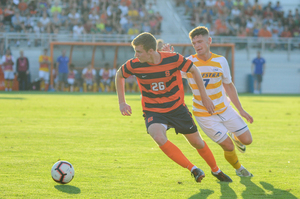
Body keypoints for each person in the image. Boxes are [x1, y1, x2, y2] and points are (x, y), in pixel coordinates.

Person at [115, 32, 232, 183]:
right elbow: (120, 75)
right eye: (135, 51)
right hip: (153, 110)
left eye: (139, 51)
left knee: (197, 142)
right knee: (158, 136)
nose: (136, 55)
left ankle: (216, 170)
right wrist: (122, 102)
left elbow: (194, 70)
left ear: (151, 51)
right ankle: (193, 169)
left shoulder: (173, 59)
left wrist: (204, 96)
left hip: (177, 109)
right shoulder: (134, 64)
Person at [163, 26, 254, 177]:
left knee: (248, 140)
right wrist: (169, 57)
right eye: (194, 43)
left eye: (200, 42)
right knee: (228, 146)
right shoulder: (188, 62)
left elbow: (229, 86)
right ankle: (239, 169)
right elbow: (169, 72)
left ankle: (234, 134)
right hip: (204, 114)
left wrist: (241, 110)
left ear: (209, 41)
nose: (197, 46)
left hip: (225, 109)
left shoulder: (221, 61)